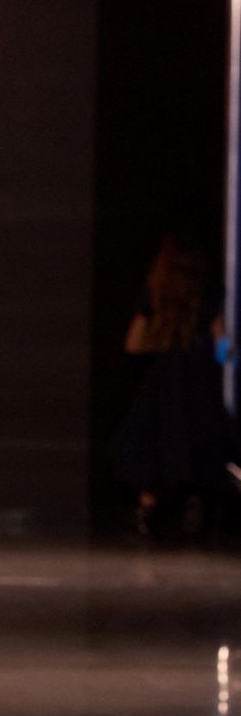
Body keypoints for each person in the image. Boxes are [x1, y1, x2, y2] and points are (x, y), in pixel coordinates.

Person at [112, 231, 235, 539]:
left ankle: (147, 509)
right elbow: (221, 346)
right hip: (198, 380)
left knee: (155, 437)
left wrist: (164, 343)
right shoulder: (206, 295)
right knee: (197, 437)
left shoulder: (157, 294)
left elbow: (133, 344)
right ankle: (196, 502)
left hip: (164, 381)